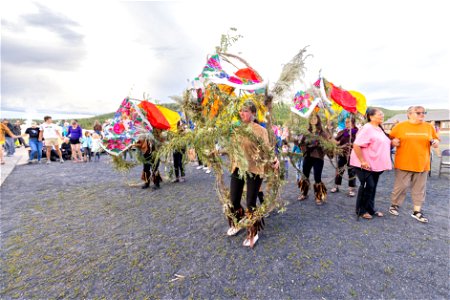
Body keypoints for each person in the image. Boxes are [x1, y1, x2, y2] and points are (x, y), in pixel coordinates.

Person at [226, 100, 279, 248]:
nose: (242, 113)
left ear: (254, 114)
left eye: (246, 111)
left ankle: (253, 232)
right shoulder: (237, 129)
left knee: (250, 202)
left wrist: (274, 160)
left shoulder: (260, 130)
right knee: (234, 199)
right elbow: (233, 148)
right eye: (241, 111)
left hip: (254, 169)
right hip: (238, 168)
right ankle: (237, 222)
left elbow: (267, 149)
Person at [388, 106, 439, 223]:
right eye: (418, 113)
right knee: (401, 187)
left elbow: (435, 140)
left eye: (423, 112)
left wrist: (436, 143)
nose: (422, 115)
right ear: (409, 114)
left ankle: (417, 211)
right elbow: (390, 139)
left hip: (422, 163)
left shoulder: (428, 127)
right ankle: (394, 205)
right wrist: (393, 142)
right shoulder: (400, 126)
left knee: (419, 189)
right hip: (404, 162)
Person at [350, 108, 392, 219]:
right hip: (364, 164)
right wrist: (362, 161)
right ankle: (361, 210)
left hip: (376, 165)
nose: (382, 116)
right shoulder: (367, 128)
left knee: (372, 188)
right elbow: (356, 145)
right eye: (379, 114)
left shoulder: (378, 128)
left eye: (383, 114)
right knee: (368, 186)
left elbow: (381, 144)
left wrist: (393, 143)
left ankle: (370, 209)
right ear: (371, 116)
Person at [298, 113, 330, 205]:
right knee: (305, 175)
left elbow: (327, 146)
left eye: (315, 118)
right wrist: (301, 143)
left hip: (318, 158)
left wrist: (320, 148)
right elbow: (300, 143)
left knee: (317, 177)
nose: (313, 120)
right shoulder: (306, 131)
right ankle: (304, 193)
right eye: (311, 118)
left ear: (318, 119)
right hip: (307, 156)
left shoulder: (322, 133)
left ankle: (319, 196)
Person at [330, 117, 358, 197]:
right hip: (342, 154)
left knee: (352, 172)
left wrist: (352, 144)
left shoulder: (357, 132)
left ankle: (351, 189)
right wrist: (330, 137)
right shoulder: (342, 132)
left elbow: (359, 143)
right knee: (339, 170)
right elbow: (337, 142)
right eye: (345, 122)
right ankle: (337, 186)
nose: (346, 123)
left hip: (352, 155)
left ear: (353, 122)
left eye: (348, 122)